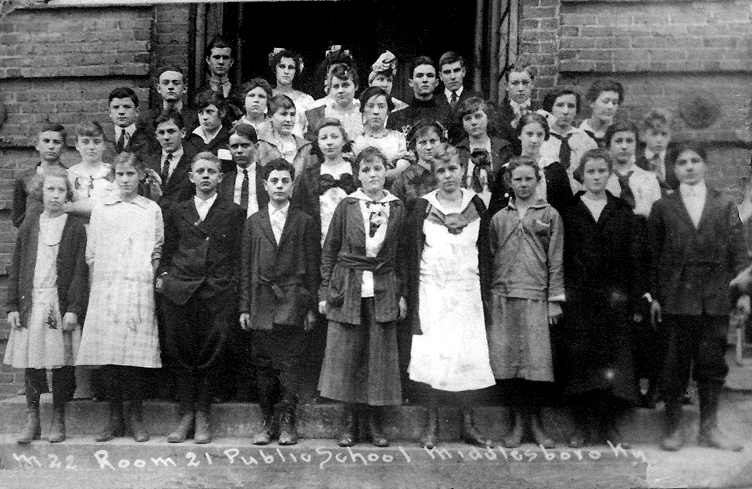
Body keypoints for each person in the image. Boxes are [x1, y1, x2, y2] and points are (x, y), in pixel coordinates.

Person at [648, 143, 750, 452]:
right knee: (674, 366)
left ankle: (709, 429)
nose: (689, 167)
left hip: (714, 298)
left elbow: (739, 254)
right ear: (674, 169)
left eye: (695, 161)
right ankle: (674, 428)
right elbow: (652, 256)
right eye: (682, 162)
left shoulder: (724, 205)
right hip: (676, 299)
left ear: (705, 165)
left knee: (712, 365)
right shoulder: (663, 207)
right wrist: (655, 296)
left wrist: (744, 295)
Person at [405, 144, 495, 448]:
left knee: (466, 356)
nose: (448, 176)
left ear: (462, 170)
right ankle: (431, 425)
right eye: (441, 170)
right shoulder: (423, 207)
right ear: (434, 174)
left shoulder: (476, 205)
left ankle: (469, 424)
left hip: (467, 291)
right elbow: (412, 252)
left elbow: (486, 251)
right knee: (434, 357)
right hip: (433, 292)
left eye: (453, 169)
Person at [317, 147, 407, 447]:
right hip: (348, 287)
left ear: (386, 172)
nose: (372, 175)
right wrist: (325, 291)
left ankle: (375, 425)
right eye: (366, 170)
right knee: (347, 358)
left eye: (377, 168)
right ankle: (348, 424)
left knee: (378, 358)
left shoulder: (397, 207)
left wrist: (402, 294)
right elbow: (329, 250)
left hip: (383, 288)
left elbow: (402, 255)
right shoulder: (347, 205)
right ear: (358, 175)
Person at [157, 152, 245, 444]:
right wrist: (165, 276)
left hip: (216, 292)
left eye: (211, 171)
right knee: (181, 352)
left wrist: (230, 286)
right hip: (181, 290)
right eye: (200, 171)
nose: (205, 175)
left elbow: (238, 255)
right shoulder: (178, 210)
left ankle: (203, 414)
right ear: (191, 177)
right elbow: (167, 249)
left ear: (220, 177)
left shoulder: (233, 212)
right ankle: (186, 415)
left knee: (211, 353)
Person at [76, 153, 162, 443]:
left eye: (130, 174)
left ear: (140, 176)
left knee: (134, 356)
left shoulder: (150, 209)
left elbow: (157, 250)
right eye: (120, 175)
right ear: (114, 177)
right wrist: (97, 288)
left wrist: (146, 280)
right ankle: (114, 418)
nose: (125, 180)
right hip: (107, 288)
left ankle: (135, 417)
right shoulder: (103, 209)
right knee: (110, 355)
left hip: (137, 288)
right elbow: (92, 252)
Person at [559, 149, 642, 448]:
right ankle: (583, 426)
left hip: (613, 300)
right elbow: (560, 257)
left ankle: (609, 427)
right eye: (591, 172)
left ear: (609, 174)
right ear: (582, 175)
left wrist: (635, 299)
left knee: (612, 365)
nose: (596, 177)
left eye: (601, 171)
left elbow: (634, 259)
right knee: (582, 363)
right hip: (579, 299)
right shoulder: (569, 212)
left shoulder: (622, 211)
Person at [239, 158, 319, 446]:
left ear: (292, 185)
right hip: (261, 300)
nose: (280, 186)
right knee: (263, 363)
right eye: (274, 181)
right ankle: (266, 420)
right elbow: (246, 267)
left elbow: (313, 267)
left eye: (285, 181)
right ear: (265, 185)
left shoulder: (304, 221)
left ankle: (288, 421)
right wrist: (245, 307)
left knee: (290, 363)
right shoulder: (254, 222)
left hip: (293, 299)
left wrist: (310, 307)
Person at [5, 168, 88, 444]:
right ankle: (33, 419)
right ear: (41, 193)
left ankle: (58, 417)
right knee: (33, 362)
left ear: (68, 195)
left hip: (56, 305)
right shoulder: (30, 225)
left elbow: (79, 272)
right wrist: (13, 305)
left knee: (60, 361)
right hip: (33, 303)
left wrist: (74, 308)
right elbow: (17, 267)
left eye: (61, 190)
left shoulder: (74, 227)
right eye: (50, 189)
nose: (55, 195)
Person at [487, 155, 564, 449]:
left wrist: (554, 299)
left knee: (535, 365)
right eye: (517, 179)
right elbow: (491, 255)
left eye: (528, 179)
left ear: (537, 180)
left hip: (535, 295)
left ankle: (537, 425)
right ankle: (517, 425)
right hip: (503, 295)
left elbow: (555, 259)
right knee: (509, 364)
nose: (522, 184)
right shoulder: (499, 217)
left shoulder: (550, 214)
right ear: (509, 182)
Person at [488, 112, 573, 218]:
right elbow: (495, 212)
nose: (534, 140)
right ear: (519, 135)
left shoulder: (555, 169)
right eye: (529, 134)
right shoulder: (506, 169)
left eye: (539, 135)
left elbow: (567, 210)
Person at [292, 119, 358, 246]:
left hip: (353, 242)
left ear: (344, 140)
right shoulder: (308, 176)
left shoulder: (358, 171)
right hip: (319, 242)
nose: (329, 142)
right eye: (324, 138)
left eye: (334, 137)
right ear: (317, 142)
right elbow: (298, 213)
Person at [455, 97, 513, 207]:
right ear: (463, 123)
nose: (473, 122)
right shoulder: (458, 151)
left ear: (488, 118)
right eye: (468, 119)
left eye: (478, 116)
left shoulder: (503, 149)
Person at [538, 87, 598, 191]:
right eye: (560, 105)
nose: (565, 111)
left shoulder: (587, 141)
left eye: (571, 106)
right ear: (550, 108)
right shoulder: (540, 139)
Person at [12, 123, 68, 228]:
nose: (51, 146)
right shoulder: (24, 178)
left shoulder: (69, 176)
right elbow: (18, 218)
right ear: (37, 145)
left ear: (63, 148)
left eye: (56, 142)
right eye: (46, 141)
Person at [603, 121, 661, 219]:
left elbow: (657, 217)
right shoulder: (601, 178)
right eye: (618, 141)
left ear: (636, 145)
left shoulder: (649, 179)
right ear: (608, 145)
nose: (624, 146)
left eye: (629, 141)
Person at [142, 110, 197, 212]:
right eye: (161, 133)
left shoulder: (194, 163)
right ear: (156, 136)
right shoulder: (147, 162)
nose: (166, 137)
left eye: (171, 131)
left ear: (183, 133)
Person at [352, 86, 408, 183]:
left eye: (381, 107)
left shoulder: (398, 138)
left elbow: (402, 170)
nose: (376, 112)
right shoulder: (355, 140)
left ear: (388, 111)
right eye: (370, 106)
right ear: (363, 110)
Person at [387, 56, 451, 136]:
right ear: (410, 82)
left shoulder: (448, 115)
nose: (425, 80)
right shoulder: (396, 118)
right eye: (419, 76)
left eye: (430, 75)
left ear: (436, 82)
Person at [66, 121, 116, 223]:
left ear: (104, 145)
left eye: (97, 142)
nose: (91, 147)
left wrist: (73, 207)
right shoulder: (69, 174)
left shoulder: (113, 173)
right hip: (77, 228)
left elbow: (114, 207)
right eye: (85, 142)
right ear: (77, 145)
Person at [390, 120, 445, 213]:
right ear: (414, 146)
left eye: (433, 141)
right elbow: (396, 215)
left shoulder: (449, 173)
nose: (428, 147)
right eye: (423, 142)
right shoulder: (404, 179)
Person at [305, 64, 363, 142]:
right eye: (336, 86)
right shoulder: (317, 114)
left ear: (356, 86)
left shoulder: (364, 112)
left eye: (345, 85)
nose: (340, 91)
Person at [437, 51, 484, 144]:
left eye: (456, 70)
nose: (453, 77)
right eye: (447, 72)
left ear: (463, 72)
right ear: (441, 76)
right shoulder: (435, 101)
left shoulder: (476, 98)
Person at [140, 66, 199, 139]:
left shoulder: (196, 119)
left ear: (184, 88)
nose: (170, 87)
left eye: (176, 83)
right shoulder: (146, 119)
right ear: (159, 88)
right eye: (165, 83)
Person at [270, 48, 316, 140]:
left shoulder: (307, 100)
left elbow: (315, 132)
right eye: (282, 66)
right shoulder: (265, 96)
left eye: (290, 67)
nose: (286, 71)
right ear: (275, 69)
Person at [259, 94, 311, 174]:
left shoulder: (305, 147)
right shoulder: (261, 145)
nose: (289, 119)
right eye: (283, 114)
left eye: (292, 115)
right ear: (270, 116)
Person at [197, 35, 243, 124]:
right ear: (208, 60)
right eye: (216, 57)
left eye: (225, 58)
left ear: (231, 62)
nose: (221, 62)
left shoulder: (241, 93)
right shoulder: (198, 94)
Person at [103, 87, 151, 163]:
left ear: (137, 111)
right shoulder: (103, 139)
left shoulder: (148, 139)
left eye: (127, 107)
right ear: (109, 112)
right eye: (116, 107)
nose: (121, 112)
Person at [636, 108, 678, 192]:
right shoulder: (636, 163)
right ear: (644, 135)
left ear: (670, 136)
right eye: (654, 134)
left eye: (664, 134)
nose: (659, 139)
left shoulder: (675, 162)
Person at [496, 63, 536, 148]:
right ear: (506, 86)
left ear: (532, 84)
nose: (521, 89)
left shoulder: (540, 110)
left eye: (525, 83)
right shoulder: (498, 114)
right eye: (515, 83)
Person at [187, 90, 231, 164]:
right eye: (200, 112)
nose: (204, 117)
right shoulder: (188, 139)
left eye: (209, 112)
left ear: (222, 112)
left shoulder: (230, 139)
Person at [580, 79, 624, 148]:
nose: (610, 107)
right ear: (592, 102)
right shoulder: (577, 135)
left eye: (614, 103)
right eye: (605, 101)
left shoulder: (621, 136)